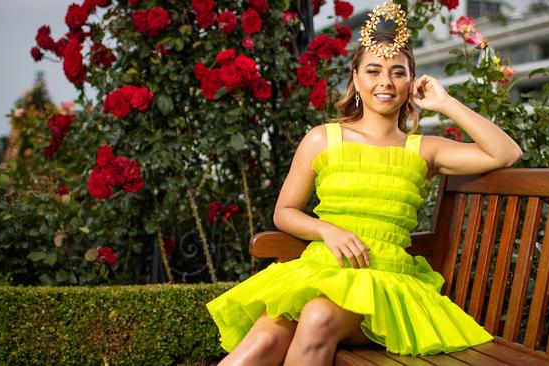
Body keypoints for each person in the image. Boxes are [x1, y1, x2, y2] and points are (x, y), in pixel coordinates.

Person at [206, 5, 522, 365]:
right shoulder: (322, 139)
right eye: (373, 71)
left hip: (384, 285)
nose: (385, 82)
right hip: (319, 270)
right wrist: (327, 231)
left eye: (397, 73)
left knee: (317, 317)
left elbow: (506, 153)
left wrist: (444, 102)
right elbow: (285, 212)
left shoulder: (425, 149)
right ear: (356, 79)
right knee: (261, 342)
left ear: (412, 83)